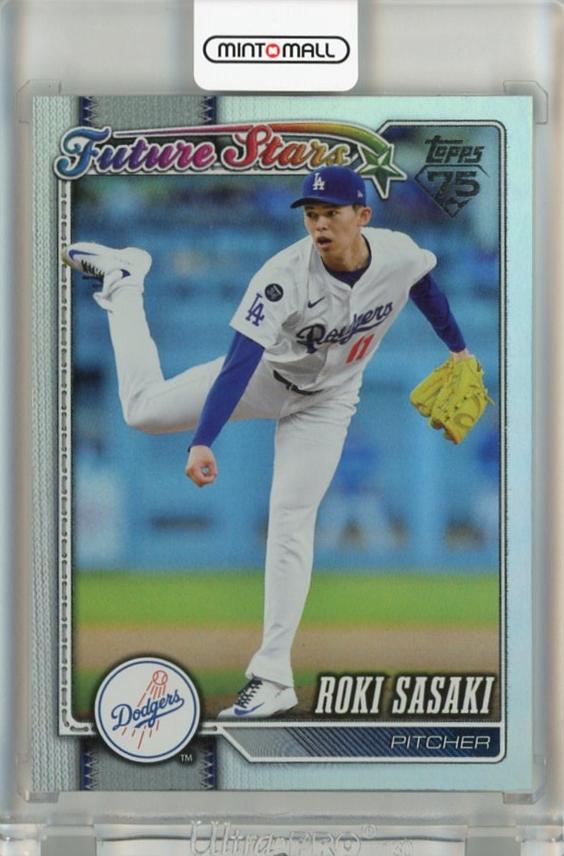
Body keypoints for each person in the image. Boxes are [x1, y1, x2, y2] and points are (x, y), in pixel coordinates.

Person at [63, 165, 472, 720]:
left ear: (362, 216)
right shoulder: (282, 276)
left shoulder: (397, 252)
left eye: (331, 213)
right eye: (311, 214)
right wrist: (203, 440)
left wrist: (459, 349)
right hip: (263, 378)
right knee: (142, 411)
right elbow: (239, 363)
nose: (319, 224)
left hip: (330, 400)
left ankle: (273, 676)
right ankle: (124, 280)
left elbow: (423, 284)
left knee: (291, 519)